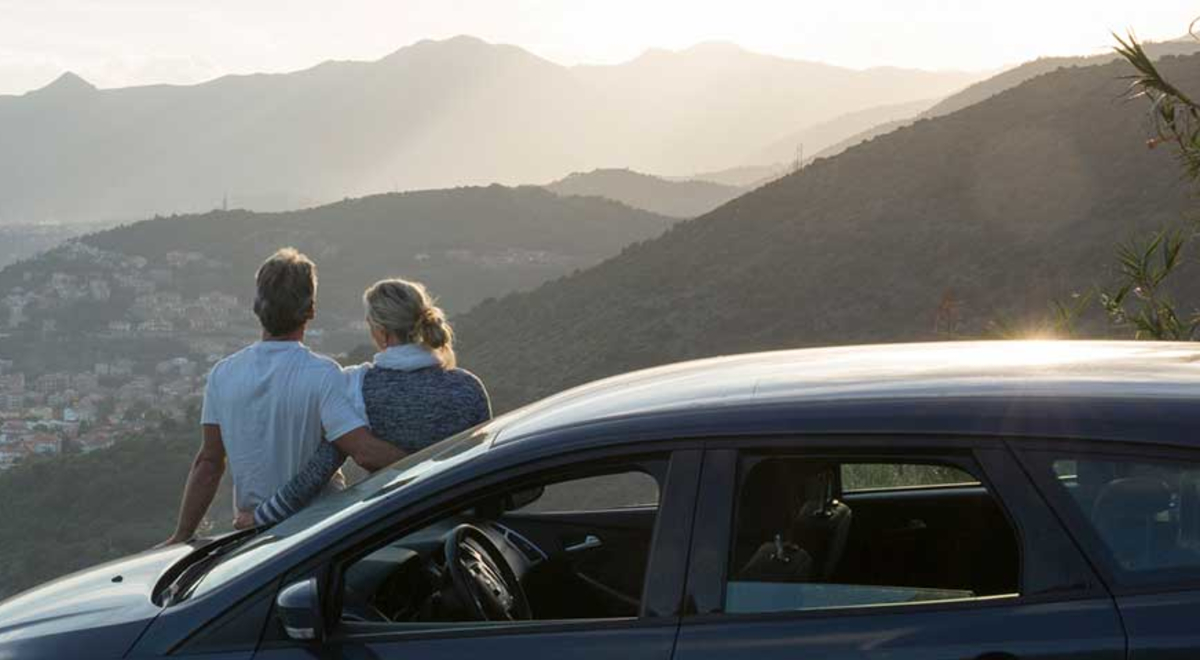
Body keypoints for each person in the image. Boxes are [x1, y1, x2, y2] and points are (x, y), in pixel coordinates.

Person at [161, 248, 405, 545]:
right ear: (311, 310)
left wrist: (182, 535)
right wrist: (442, 461)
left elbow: (209, 463)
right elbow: (364, 452)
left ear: (256, 307)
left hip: (257, 536)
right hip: (322, 532)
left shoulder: (223, 374)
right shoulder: (324, 374)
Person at [245, 277, 491, 527]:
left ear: (382, 332)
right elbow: (486, 470)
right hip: (461, 529)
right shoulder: (469, 388)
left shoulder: (356, 387)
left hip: (389, 529)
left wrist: (261, 517)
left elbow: (318, 470)